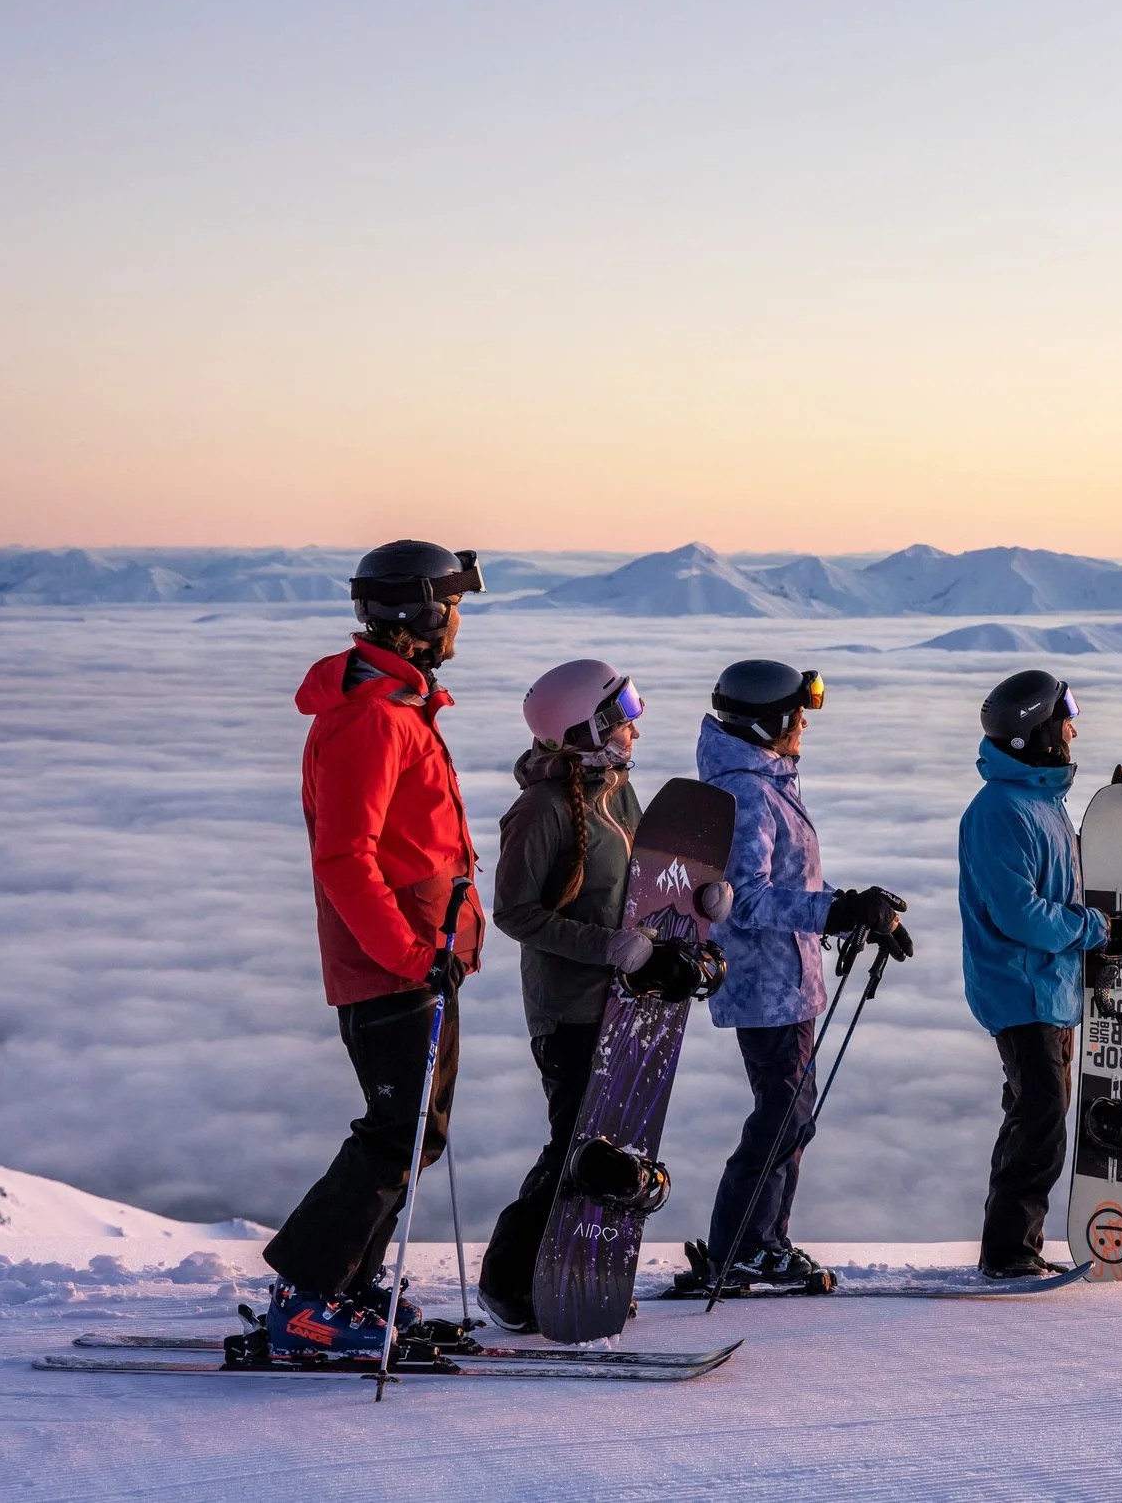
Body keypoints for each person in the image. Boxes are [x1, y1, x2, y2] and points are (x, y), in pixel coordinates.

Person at [261, 539, 488, 1358]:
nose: (461, 617)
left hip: (423, 957)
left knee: (415, 1135)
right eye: (454, 602)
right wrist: (407, 951)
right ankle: (309, 1298)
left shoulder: (399, 710)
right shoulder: (370, 722)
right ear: (422, 613)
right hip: (392, 963)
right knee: (395, 1134)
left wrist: (441, 944)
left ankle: (347, 1288)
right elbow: (345, 858)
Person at [674, 659, 905, 1296]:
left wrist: (856, 909)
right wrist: (836, 910)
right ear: (768, 719)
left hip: (787, 980)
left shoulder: (764, 781)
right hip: (766, 984)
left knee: (791, 1115)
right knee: (783, 1114)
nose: (803, 724)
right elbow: (745, 897)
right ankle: (741, 1246)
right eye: (797, 713)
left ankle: (763, 1240)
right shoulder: (747, 790)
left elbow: (790, 886)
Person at [474, 658, 679, 1332]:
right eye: (623, 718)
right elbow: (514, 913)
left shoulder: (616, 790)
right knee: (574, 1147)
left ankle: (574, 1271)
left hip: (624, 1002)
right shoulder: (539, 810)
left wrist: (692, 904)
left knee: (607, 1146)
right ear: (584, 730)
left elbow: (641, 881)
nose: (634, 731)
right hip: (569, 1008)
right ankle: (509, 1283)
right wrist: (608, 948)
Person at [959, 670, 1122, 1279]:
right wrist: (1097, 931)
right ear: (1037, 732)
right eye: (1065, 717)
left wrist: (1116, 811)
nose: (1074, 726)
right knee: (1043, 1123)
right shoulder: (1001, 812)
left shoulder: (1039, 804)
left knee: (1033, 1117)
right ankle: (1008, 1254)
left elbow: (1063, 876)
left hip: (1049, 990)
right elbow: (1019, 912)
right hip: (1020, 989)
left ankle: (1011, 1245)